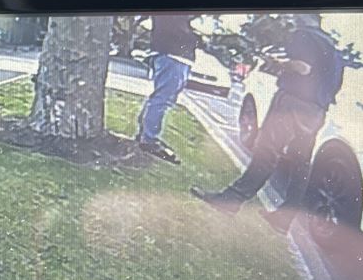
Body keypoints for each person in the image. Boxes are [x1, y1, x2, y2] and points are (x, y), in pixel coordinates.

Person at [191, 13, 344, 229]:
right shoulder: (333, 49)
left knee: (266, 151)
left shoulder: (304, 35)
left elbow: (303, 68)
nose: (293, 17)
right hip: (316, 110)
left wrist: (278, 63)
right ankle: (285, 218)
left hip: (292, 101)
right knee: (301, 163)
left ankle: (231, 200)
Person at [138, 13, 200, 163]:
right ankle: (149, 140)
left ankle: (146, 135)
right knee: (162, 99)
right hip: (172, 53)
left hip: (176, 54)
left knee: (162, 98)